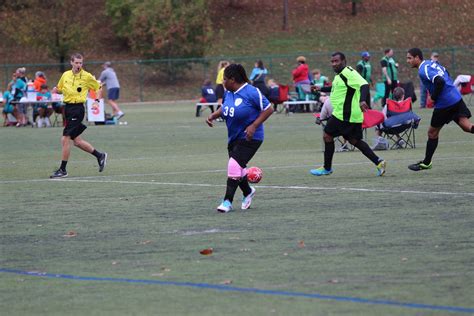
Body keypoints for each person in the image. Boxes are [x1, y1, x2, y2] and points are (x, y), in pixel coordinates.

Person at [206, 64, 273, 213]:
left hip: (251, 137)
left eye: (224, 79)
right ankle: (248, 191)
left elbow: (269, 109)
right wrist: (213, 115)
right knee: (239, 169)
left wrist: (254, 125)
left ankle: (227, 201)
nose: (222, 82)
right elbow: (225, 108)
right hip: (234, 137)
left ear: (233, 79)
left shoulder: (252, 92)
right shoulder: (228, 92)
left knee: (233, 165)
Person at [310, 52, 386, 176]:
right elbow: (335, 89)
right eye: (332, 61)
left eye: (337, 61)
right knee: (354, 140)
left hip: (344, 114)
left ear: (344, 61)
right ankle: (379, 162)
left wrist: (362, 100)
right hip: (351, 115)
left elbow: (364, 85)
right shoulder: (340, 76)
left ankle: (327, 168)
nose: (334, 64)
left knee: (327, 135)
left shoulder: (349, 72)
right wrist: (320, 89)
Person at [406, 48, 474, 171]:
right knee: (467, 127)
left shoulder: (423, 70)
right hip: (455, 97)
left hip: (445, 103)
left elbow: (440, 81)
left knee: (432, 133)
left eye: (410, 58)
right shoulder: (431, 63)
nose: (408, 61)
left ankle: (426, 163)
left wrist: (433, 97)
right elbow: (445, 72)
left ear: (417, 58)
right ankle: (426, 162)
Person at [50, 53, 108, 178]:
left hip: (77, 109)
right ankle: (100, 156)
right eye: (76, 62)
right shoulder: (65, 75)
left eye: (80, 63)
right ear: (71, 62)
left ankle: (63, 170)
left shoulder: (86, 76)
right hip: (68, 109)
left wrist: (96, 102)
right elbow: (60, 87)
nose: (78, 65)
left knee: (65, 138)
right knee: (77, 141)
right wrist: (55, 90)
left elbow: (99, 87)